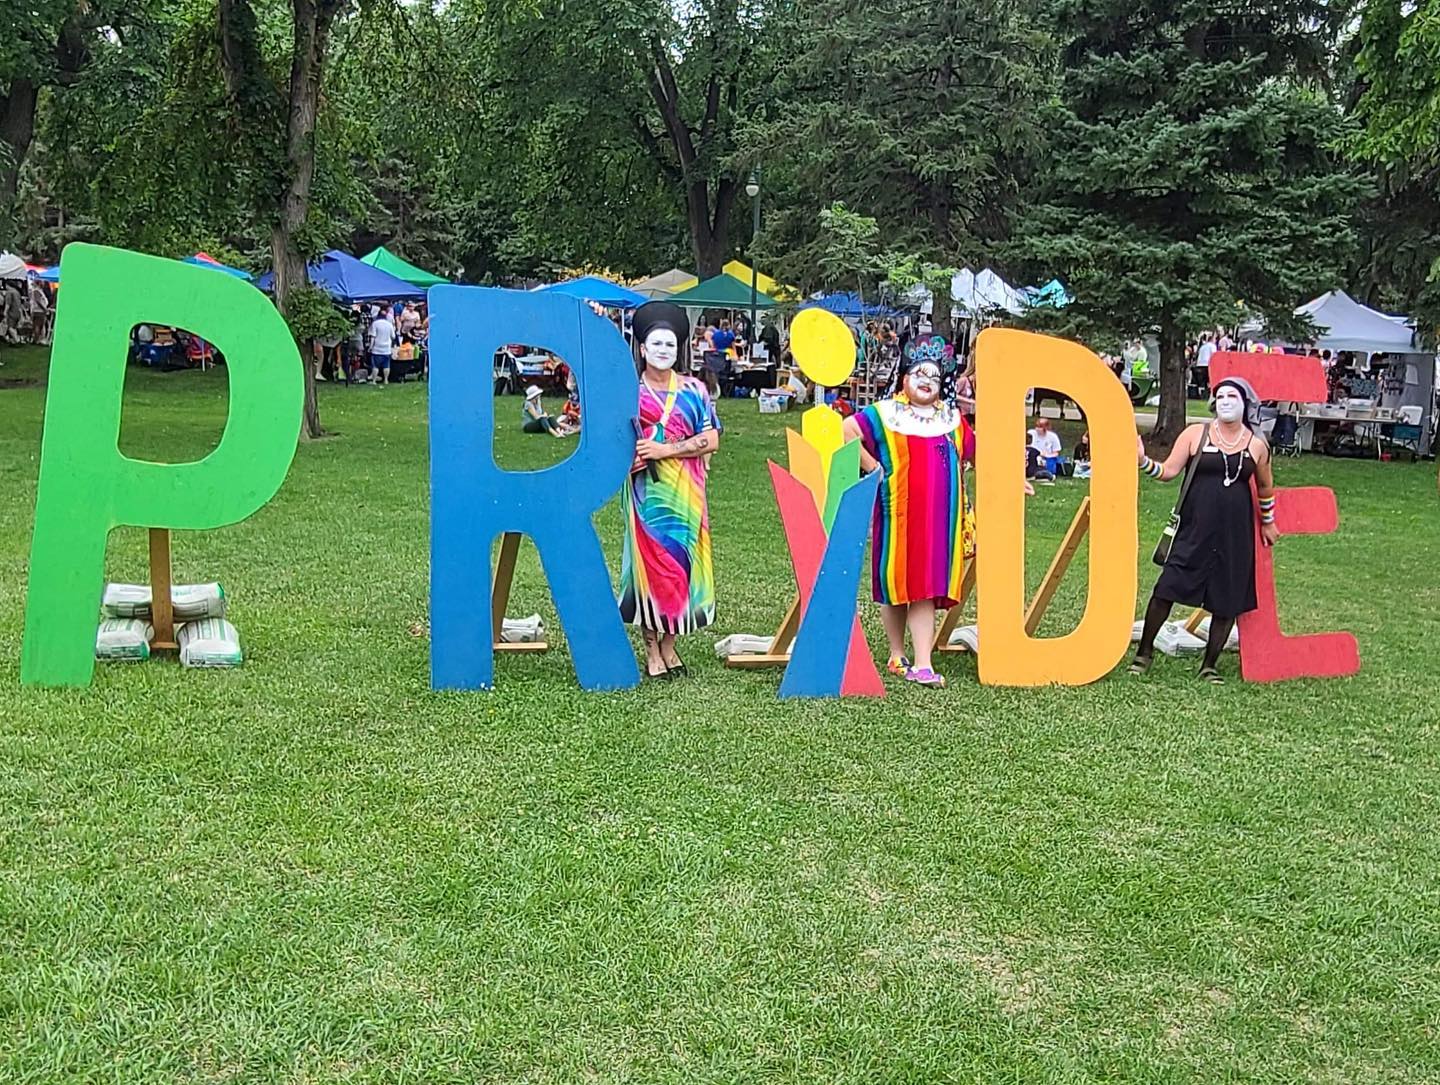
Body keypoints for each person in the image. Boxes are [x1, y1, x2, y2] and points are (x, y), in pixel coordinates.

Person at [843, 337, 972, 688]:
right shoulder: (884, 414)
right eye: (919, 373)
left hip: (939, 521)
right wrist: (873, 468)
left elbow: (979, 454)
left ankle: (923, 662)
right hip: (896, 513)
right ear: (904, 377)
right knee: (896, 583)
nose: (926, 380)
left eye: (934, 375)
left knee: (925, 587)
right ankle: (897, 654)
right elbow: (848, 430)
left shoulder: (952, 420)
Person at [1132, 377, 1279, 683]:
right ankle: (1144, 653)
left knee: (1227, 598)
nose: (1225, 401)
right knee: (1167, 587)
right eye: (1220, 396)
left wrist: (1268, 521)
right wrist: (1143, 461)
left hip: (1235, 535)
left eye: (1232, 396)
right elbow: (1168, 471)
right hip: (1195, 529)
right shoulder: (1195, 434)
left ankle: (1209, 665)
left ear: (1245, 403)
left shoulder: (1257, 445)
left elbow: (1265, 487)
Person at [620, 301, 722, 680]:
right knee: (651, 568)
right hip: (647, 494)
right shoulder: (629, 392)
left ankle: (669, 644)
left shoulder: (695, 390)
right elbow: (612, 442)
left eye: (670, 344)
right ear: (643, 349)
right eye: (656, 344)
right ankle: (651, 649)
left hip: (688, 492)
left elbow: (711, 438)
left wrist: (666, 450)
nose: (663, 350)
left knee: (683, 565)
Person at [368, 306, 396, 385]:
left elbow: (373, 337)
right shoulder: (389, 324)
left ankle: (374, 381)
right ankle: (386, 380)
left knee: (375, 366)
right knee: (386, 365)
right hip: (387, 349)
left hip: (377, 348)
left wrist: (370, 347)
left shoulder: (375, 324)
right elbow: (393, 336)